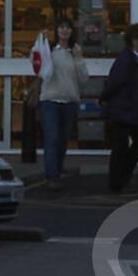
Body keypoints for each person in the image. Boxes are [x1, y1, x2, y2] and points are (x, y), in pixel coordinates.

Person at [100, 23, 138, 193]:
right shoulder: (127, 59)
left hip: (132, 110)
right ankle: (116, 182)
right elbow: (115, 82)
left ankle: (121, 178)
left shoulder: (136, 58)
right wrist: (105, 97)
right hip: (124, 110)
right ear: (134, 40)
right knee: (122, 147)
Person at [37, 18, 86, 183]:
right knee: (52, 137)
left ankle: (56, 169)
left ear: (71, 31)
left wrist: (79, 59)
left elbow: (83, 78)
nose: (64, 31)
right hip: (50, 100)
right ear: (56, 31)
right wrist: (40, 42)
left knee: (63, 140)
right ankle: (52, 176)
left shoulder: (74, 51)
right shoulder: (49, 50)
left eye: (67, 28)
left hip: (69, 102)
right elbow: (36, 64)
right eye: (61, 27)